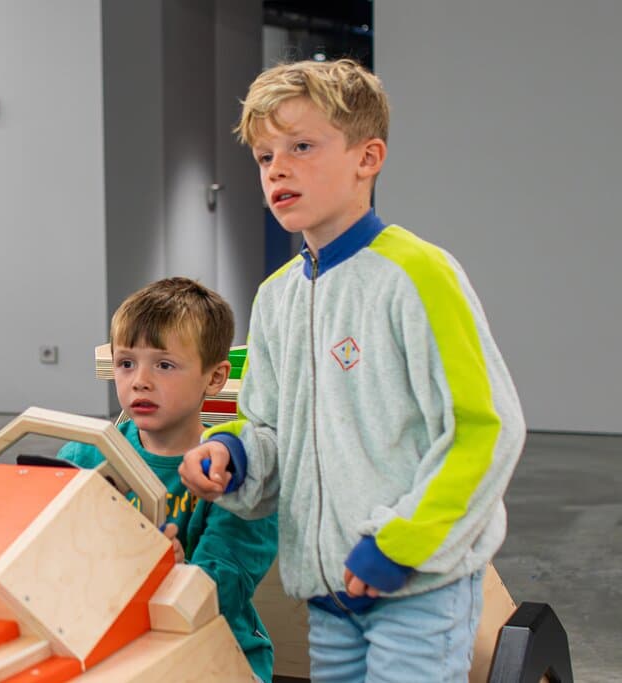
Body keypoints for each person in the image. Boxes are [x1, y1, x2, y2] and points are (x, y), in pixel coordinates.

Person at [179, 59, 526, 682]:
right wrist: (234, 454)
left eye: (302, 146)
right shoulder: (277, 296)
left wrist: (400, 545)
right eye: (263, 157)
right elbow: (268, 428)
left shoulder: (420, 275)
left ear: (368, 158)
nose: (277, 168)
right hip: (327, 590)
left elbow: (486, 429)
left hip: (415, 584)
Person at [57, 277, 277, 682]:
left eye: (164, 364)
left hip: (217, 654)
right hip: (107, 646)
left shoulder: (237, 474)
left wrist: (176, 576)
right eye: (126, 363)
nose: (140, 380)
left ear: (214, 378)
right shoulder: (83, 456)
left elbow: (225, 589)